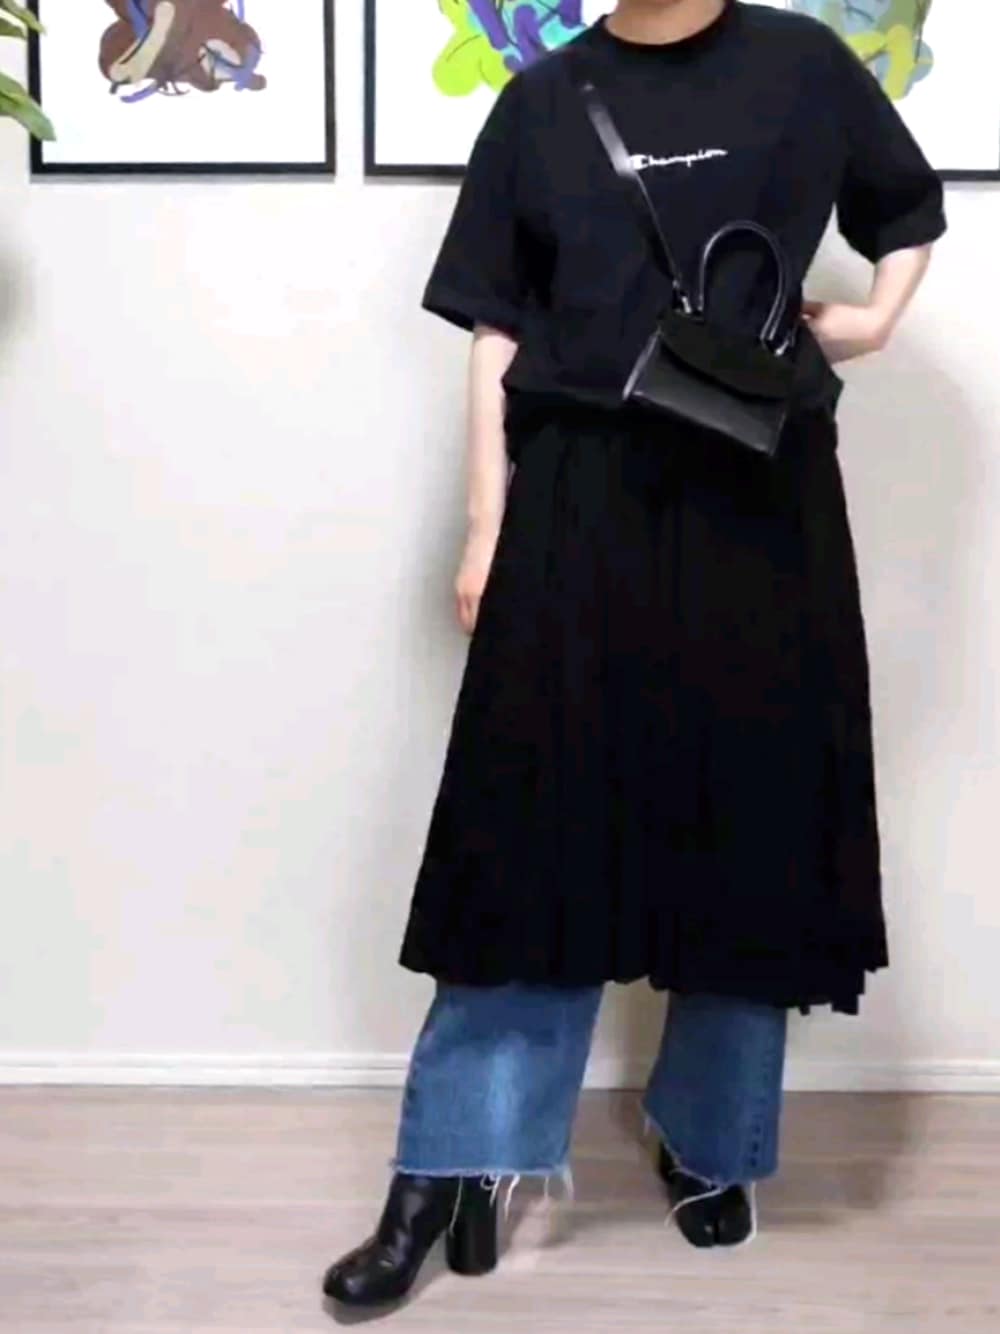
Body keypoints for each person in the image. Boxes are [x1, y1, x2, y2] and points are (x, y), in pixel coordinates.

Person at [323, 0, 946, 1310]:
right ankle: (453, 1163)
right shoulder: (544, 103)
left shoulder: (803, 66)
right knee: (527, 824)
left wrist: (874, 322)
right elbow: (498, 328)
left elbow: (905, 207)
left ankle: (712, 1140)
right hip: (578, 485)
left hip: (760, 489)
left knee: (750, 818)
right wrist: (486, 524)